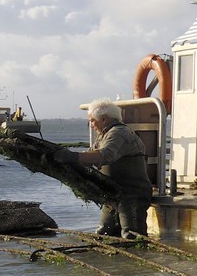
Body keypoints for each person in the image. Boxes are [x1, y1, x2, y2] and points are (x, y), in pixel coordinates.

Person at [64, 99, 151, 239]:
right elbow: (89, 156)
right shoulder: (104, 135)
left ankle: (139, 257)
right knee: (103, 233)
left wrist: (73, 157)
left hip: (131, 195)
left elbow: (105, 155)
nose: (91, 125)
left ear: (104, 119)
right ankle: (113, 261)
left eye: (92, 121)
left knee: (132, 235)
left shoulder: (119, 133)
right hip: (112, 195)